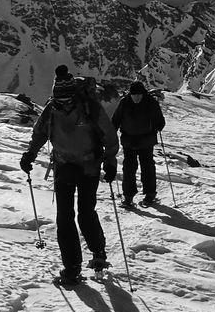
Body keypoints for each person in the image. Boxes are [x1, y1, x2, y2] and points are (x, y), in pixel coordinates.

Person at [20, 65, 118, 287]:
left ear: (73, 94)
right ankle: (72, 267)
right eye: (59, 99)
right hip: (64, 167)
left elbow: (109, 137)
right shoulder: (52, 109)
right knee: (64, 217)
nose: (63, 103)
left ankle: (98, 251)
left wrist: (110, 163)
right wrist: (30, 154)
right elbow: (39, 133)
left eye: (66, 99)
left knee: (84, 213)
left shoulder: (89, 108)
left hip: (88, 168)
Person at [111, 79, 166, 209]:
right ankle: (130, 196)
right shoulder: (126, 103)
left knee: (145, 167)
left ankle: (148, 195)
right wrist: (110, 132)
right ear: (130, 94)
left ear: (143, 94)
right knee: (130, 168)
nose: (136, 97)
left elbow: (160, 121)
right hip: (131, 141)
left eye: (138, 95)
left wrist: (159, 125)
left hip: (144, 141)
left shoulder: (149, 103)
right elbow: (116, 120)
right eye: (134, 95)